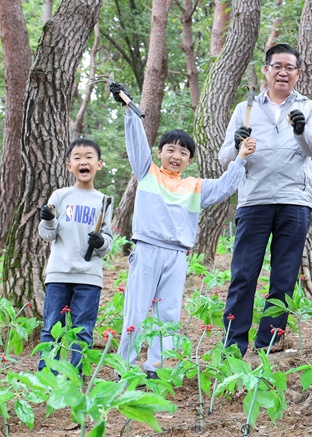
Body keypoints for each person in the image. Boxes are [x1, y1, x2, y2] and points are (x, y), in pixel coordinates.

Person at [110, 83, 256, 378]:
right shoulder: (147, 173)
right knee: (135, 312)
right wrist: (129, 109)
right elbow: (137, 143)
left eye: (183, 152)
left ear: (190, 160)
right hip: (147, 250)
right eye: (170, 150)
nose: (176, 156)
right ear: (160, 152)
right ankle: (123, 367)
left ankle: (156, 368)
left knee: (168, 315)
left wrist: (241, 157)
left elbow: (227, 186)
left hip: (177, 256)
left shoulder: (195, 186)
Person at [218, 43, 312, 356]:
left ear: (298, 73)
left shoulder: (310, 106)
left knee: (284, 275)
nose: (283, 72)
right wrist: (237, 145)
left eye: (289, 67)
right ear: (266, 70)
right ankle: (233, 346)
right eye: (276, 66)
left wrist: (301, 130)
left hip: (295, 200)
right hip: (254, 199)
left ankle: (268, 344)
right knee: (243, 274)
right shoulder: (246, 108)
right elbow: (225, 156)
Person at [38, 138, 113, 373]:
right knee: (52, 328)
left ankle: (75, 378)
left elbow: (108, 241)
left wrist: (101, 243)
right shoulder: (59, 196)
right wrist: (48, 220)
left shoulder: (104, 201)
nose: (84, 161)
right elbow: (46, 235)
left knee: (83, 331)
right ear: (69, 166)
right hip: (59, 274)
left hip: (89, 278)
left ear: (99, 164)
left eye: (89, 157)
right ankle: (47, 377)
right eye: (77, 158)